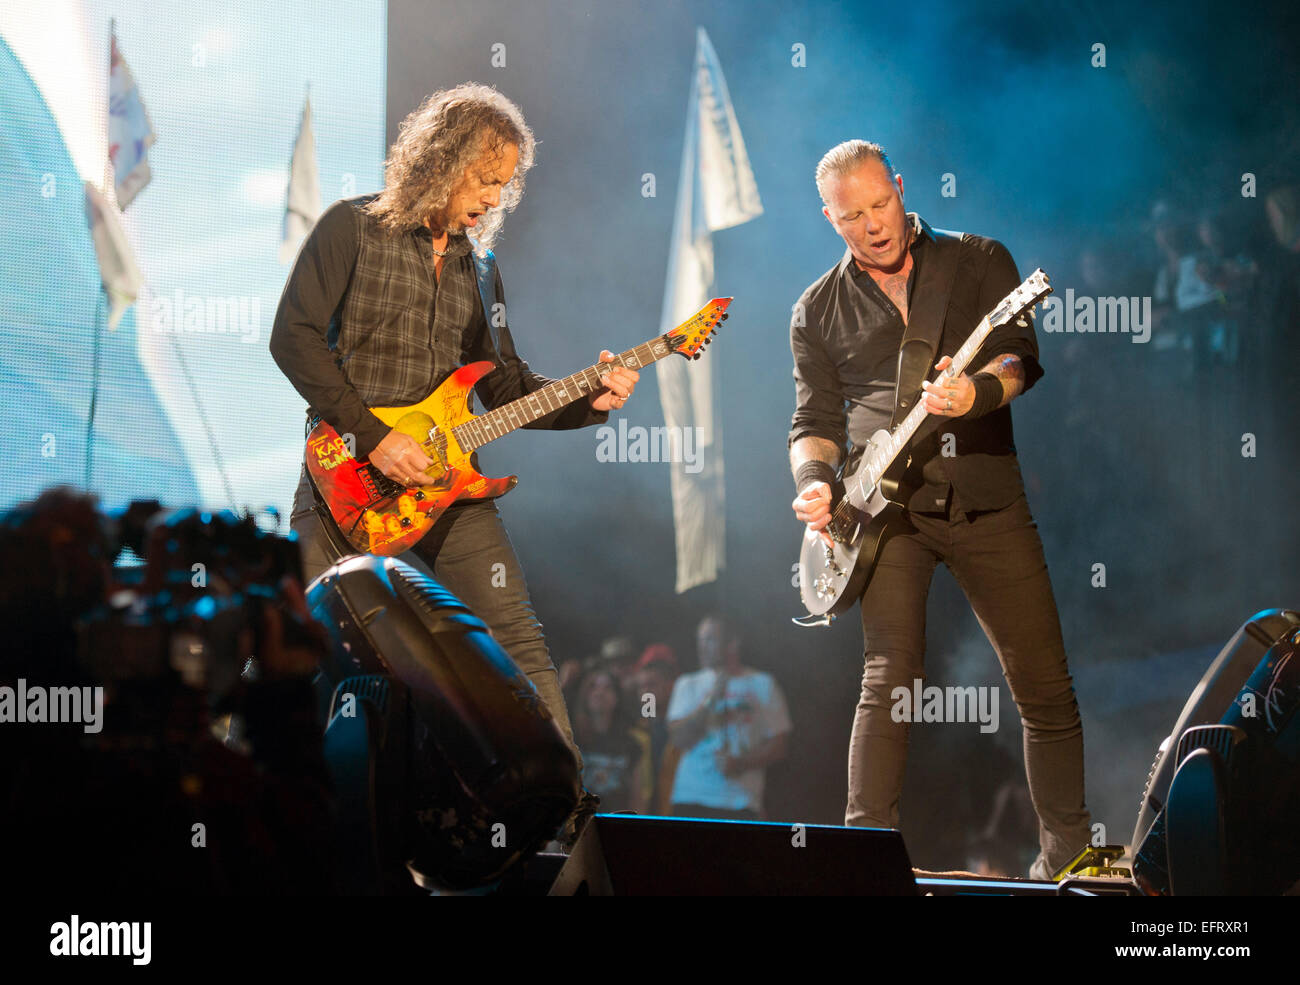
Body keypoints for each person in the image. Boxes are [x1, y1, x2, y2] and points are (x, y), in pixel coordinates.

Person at [269, 83, 639, 845]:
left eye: (504, 185)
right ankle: (276, 825)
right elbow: (293, 336)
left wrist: (589, 398)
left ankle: (565, 825)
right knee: (305, 654)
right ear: (439, 161)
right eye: (482, 179)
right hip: (346, 478)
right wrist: (374, 437)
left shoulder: (481, 267)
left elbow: (500, 382)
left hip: (448, 485)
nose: (492, 198)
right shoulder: (352, 228)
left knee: (517, 638)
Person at [787, 140, 1091, 879]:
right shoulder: (816, 308)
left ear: (900, 187)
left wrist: (973, 394)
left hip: (987, 498)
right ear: (829, 218)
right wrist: (816, 481)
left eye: (880, 205)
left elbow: (1018, 356)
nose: (872, 225)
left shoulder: (979, 258)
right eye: (852, 215)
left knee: (1043, 686)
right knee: (887, 678)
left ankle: (1071, 864)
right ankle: (865, 864)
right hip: (884, 515)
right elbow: (812, 420)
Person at [666, 615, 790, 821]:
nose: (702, 647)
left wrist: (741, 762)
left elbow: (780, 745)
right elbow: (678, 738)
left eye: (710, 640)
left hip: (740, 802)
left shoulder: (763, 683)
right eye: (700, 640)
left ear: (732, 643)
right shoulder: (687, 684)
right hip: (690, 798)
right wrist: (709, 702)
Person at [570, 666, 651, 815]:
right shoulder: (571, 740)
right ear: (585, 695)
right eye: (593, 686)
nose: (599, 692)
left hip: (617, 826)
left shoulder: (631, 744)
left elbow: (637, 797)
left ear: (616, 698)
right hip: (579, 826)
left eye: (607, 688)